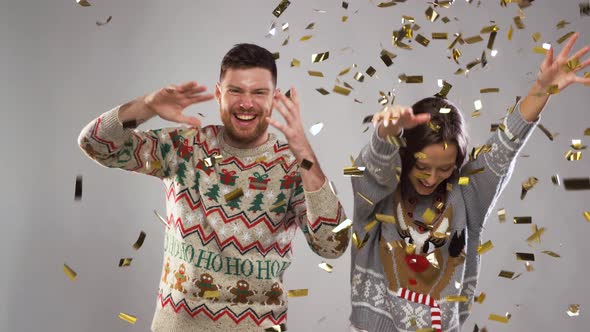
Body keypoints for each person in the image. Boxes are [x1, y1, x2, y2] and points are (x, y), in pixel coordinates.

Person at [78, 43, 349, 332]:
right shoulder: (185, 148)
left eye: (259, 93)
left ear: (274, 98)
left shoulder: (294, 167)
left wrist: (303, 152)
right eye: (236, 91)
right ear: (219, 93)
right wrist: (145, 107)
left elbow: (333, 246)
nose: (247, 104)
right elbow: (95, 144)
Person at [349, 33, 589, 331]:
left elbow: (505, 145)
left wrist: (542, 89)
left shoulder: (467, 193)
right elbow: (371, 172)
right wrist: (384, 137)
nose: (431, 178)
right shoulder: (379, 191)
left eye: (444, 169)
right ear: (407, 155)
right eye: (422, 166)